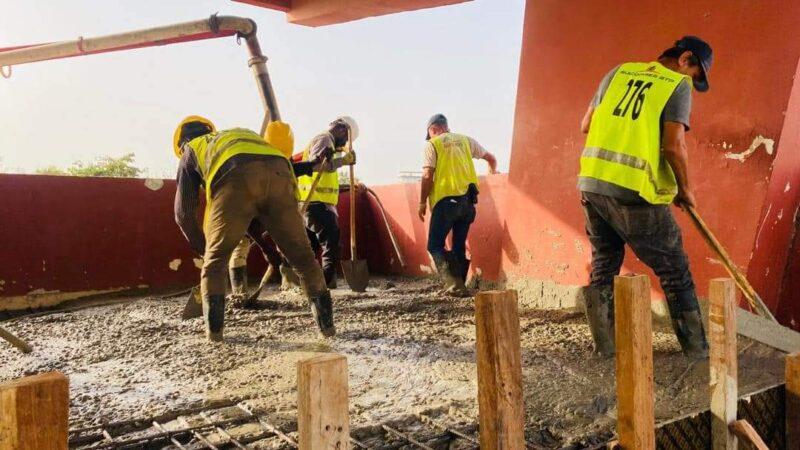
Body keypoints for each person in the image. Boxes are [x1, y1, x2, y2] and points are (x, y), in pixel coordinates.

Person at [578, 36, 714, 359]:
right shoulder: (676, 85)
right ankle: (697, 353)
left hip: (593, 183)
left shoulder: (618, 73)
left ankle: (605, 348)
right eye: (694, 75)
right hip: (633, 191)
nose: (692, 84)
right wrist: (685, 190)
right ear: (685, 59)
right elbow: (673, 146)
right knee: (674, 268)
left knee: (604, 261)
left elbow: (587, 125)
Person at [172, 115, 335, 341]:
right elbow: (253, 218)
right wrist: (269, 250)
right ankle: (327, 329)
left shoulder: (191, 150)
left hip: (236, 178)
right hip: (281, 172)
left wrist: (204, 250)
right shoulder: (236, 135)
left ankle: (215, 336)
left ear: (181, 144)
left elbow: (184, 213)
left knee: (215, 263)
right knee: (304, 259)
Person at [418, 114, 498, 296]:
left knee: (435, 245)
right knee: (458, 245)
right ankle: (461, 285)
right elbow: (491, 158)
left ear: (433, 130)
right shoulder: (466, 140)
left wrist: (422, 201)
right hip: (468, 202)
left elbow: (427, 175)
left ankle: (454, 285)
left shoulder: (432, 144)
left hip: (446, 202)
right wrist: (492, 171)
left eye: (430, 134)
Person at [294, 116, 358, 289]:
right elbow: (318, 165)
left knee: (312, 245)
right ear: (341, 130)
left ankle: (305, 281)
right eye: (345, 138)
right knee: (331, 243)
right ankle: (324, 283)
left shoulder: (326, 141)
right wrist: (343, 161)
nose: (344, 142)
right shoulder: (324, 139)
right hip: (316, 203)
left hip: (314, 203)